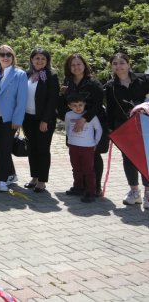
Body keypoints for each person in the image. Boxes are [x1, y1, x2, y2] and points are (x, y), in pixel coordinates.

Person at [103, 53, 149, 206]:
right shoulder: (110, 86)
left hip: (145, 126)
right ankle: (134, 192)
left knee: (146, 158)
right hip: (124, 127)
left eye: (122, 62)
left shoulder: (144, 80)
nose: (119, 66)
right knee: (128, 159)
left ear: (129, 64)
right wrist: (110, 129)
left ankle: (148, 192)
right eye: (115, 63)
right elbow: (110, 108)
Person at [59, 54, 106, 195]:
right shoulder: (68, 82)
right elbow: (64, 103)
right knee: (78, 158)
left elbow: (98, 104)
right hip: (75, 125)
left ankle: (95, 187)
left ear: (84, 65)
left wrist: (84, 118)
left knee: (94, 155)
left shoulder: (93, 83)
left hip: (93, 122)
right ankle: (80, 186)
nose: (76, 67)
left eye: (79, 64)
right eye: (72, 65)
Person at [0, 45, 28, 192]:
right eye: (2, 54)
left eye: (8, 55)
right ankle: (11, 174)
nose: (5, 57)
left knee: (4, 151)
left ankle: (2, 180)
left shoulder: (20, 74)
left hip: (9, 119)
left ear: (13, 57)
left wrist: (17, 120)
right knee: (2, 148)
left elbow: (22, 99)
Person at [22, 48, 59, 193]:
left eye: (43, 59)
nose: (40, 61)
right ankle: (34, 177)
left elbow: (52, 100)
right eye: (37, 58)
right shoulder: (27, 75)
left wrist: (45, 120)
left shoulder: (50, 76)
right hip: (28, 118)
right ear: (32, 60)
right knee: (32, 149)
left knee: (43, 150)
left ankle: (42, 181)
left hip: (44, 120)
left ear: (47, 61)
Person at [65, 94, 102, 203]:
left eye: (80, 105)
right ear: (69, 106)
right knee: (76, 168)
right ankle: (78, 187)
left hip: (87, 147)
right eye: (74, 105)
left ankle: (91, 192)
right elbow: (67, 128)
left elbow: (99, 129)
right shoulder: (68, 115)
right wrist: (70, 139)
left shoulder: (90, 116)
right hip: (73, 146)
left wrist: (95, 143)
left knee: (88, 170)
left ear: (85, 104)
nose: (78, 107)